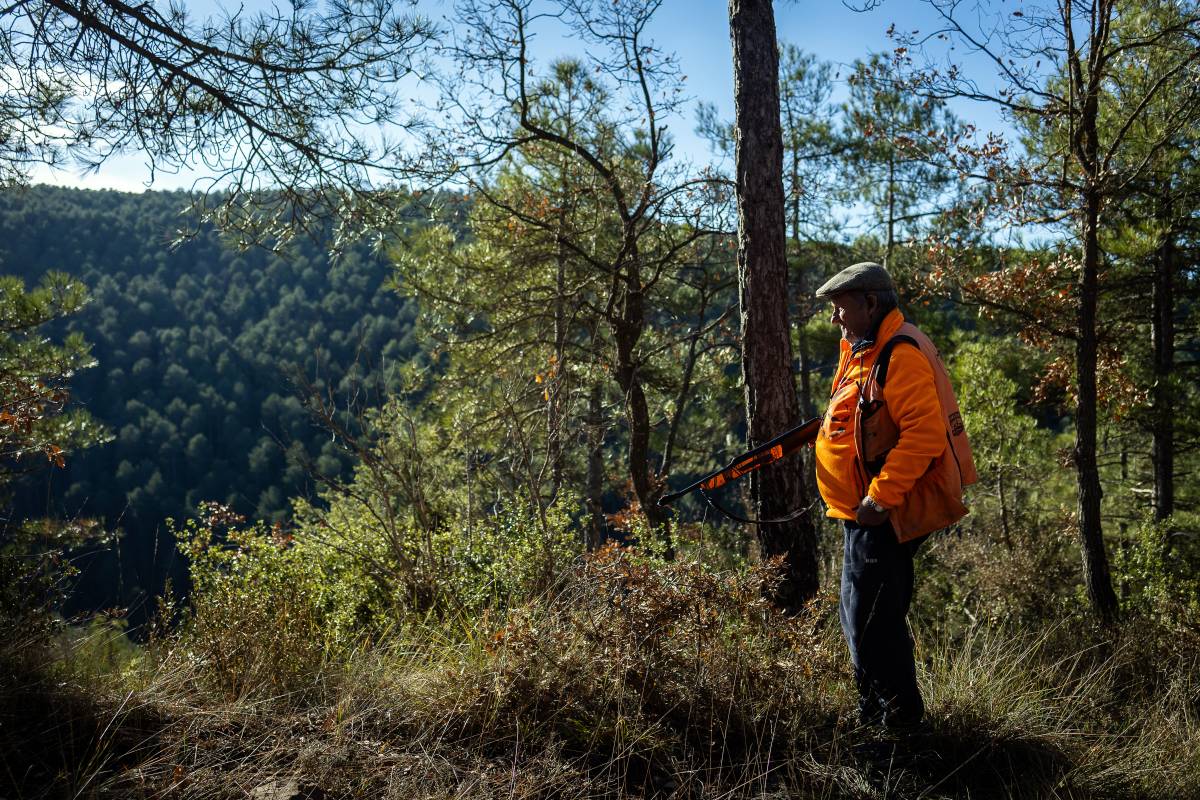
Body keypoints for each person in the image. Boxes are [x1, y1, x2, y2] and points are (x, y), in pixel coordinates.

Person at [812, 261, 976, 732]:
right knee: (858, 617)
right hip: (862, 515)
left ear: (869, 303)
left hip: (884, 515)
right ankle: (876, 721)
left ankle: (899, 732)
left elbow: (923, 437)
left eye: (840, 308)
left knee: (873, 625)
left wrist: (878, 501)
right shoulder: (867, 350)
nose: (834, 319)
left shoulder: (898, 353)